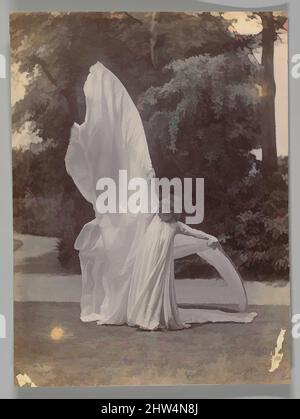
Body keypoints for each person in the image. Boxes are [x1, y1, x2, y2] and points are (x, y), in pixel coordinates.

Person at [65, 62, 257, 329]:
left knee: (152, 287)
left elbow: (192, 234)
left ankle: (148, 316)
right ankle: (148, 316)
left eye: (168, 208)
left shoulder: (161, 223)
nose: (167, 210)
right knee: (150, 287)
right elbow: (191, 232)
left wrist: (209, 239)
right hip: (150, 264)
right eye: (167, 208)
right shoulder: (158, 221)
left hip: (153, 265)